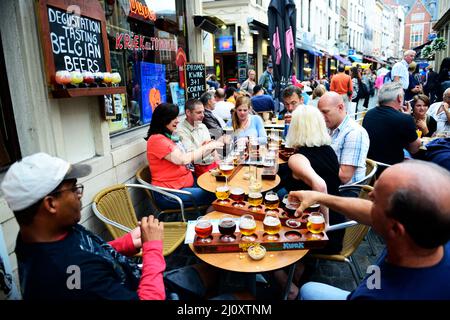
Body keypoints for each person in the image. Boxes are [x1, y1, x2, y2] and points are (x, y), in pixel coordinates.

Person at [0, 153, 166, 300]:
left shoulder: (41, 234)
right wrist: (152, 248)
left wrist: (125, 243)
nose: (79, 194)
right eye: (73, 189)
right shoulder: (69, 273)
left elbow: (85, 253)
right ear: (51, 204)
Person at [292, 160, 450, 300]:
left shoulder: (377, 296)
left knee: (308, 289)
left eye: (374, 200)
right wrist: (319, 197)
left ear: (395, 229)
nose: (370, 195)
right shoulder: (428, 231)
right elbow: (374, 213)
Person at [145, 103, 219, 209]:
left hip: (185, 185)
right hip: (170, 194)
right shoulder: (156, 139)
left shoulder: (168, 137)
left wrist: (207, 148)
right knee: (217, 194)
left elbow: (187, 156)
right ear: (163, 119)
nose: (177, 120)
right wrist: (205, 148)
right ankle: (204, 222)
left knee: (219, 187)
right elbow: (182, 160)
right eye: (173, 118)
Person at [362, 82, 421, 165]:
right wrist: (407, 118)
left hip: (370, 165)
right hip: (391, 167)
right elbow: (414, 149)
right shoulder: (404, 119)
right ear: (400, 98)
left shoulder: (369, 114)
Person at [318, 92, 370, 185]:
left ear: (340, 108)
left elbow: (344, 177)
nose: (321, 117)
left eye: (325, 112)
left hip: (345, 192)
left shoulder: (354, 133)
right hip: (330, 183)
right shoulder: (330, 127)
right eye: (320, 113)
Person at [177, 99, 222, 177]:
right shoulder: (181, 130)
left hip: (212, 166)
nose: (203, 115)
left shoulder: (202, 125)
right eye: (198, 112)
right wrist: (208, 147)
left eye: (203, 112)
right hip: (198, 170)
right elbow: (192, 158)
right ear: (188, 112)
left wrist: (220, 164)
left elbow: (213, 150)